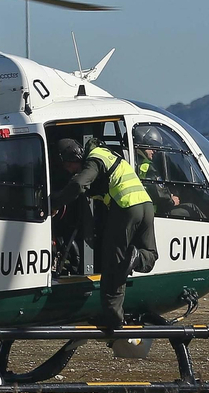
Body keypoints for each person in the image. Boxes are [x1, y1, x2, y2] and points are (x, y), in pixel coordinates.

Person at [50, 137, 157, 330]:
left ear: (77, 155)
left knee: (112, 264)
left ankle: (113, 318)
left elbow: (78, 184)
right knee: (150, 255)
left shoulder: (94, 160)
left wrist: (55, 203)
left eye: (69, 165)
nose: (69, 170)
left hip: (126, 207)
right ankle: (137, 258)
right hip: (146, 205)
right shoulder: (107, 155)